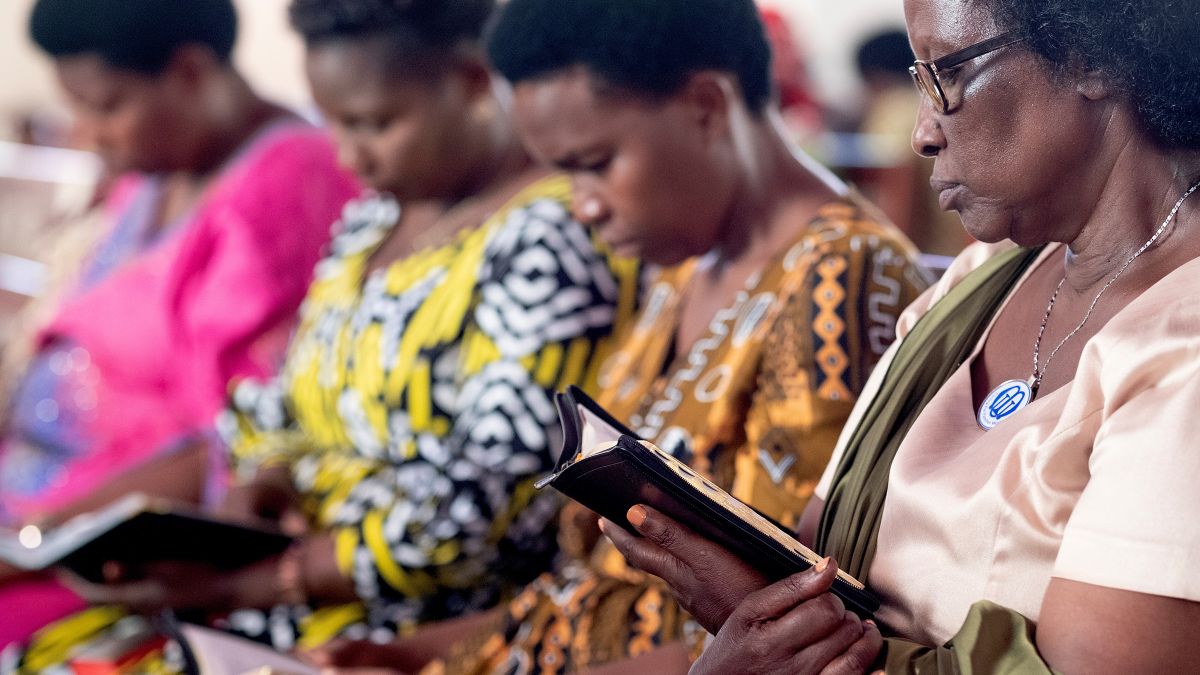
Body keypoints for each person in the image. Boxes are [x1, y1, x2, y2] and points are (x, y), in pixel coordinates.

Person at [308, 1, 928, 672]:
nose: (583, 205)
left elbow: (780, 629)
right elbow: (587, 588)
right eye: (564, 173)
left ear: (705, 107)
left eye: (595, 163)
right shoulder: (684, 266)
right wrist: (400, 654)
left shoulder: (840, 279)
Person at [605, 0, 1200, 672]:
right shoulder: (980, 282)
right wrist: (760, 599)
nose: (921, 133)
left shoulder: (1184, 347)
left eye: (946, 74)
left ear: (1092, 57)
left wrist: (778, 640)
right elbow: (819, 553)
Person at [45, 0, 640, 662]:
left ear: (471, 82)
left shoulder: (551, 238)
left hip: (417, 621)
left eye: (374, 123)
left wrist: (266, 582)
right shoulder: (375, 222)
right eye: (333, 121)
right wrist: (265, 479)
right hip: (287, 586)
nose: (348, 154)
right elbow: (282, 396)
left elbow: (482, 506)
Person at [0, 0, 357, 648]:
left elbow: (230, 436)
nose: (89, 134)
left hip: (111, 554)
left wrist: (34, 539)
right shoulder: (158, 171)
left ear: (189, 72)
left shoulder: (289, 185)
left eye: (107, 107)